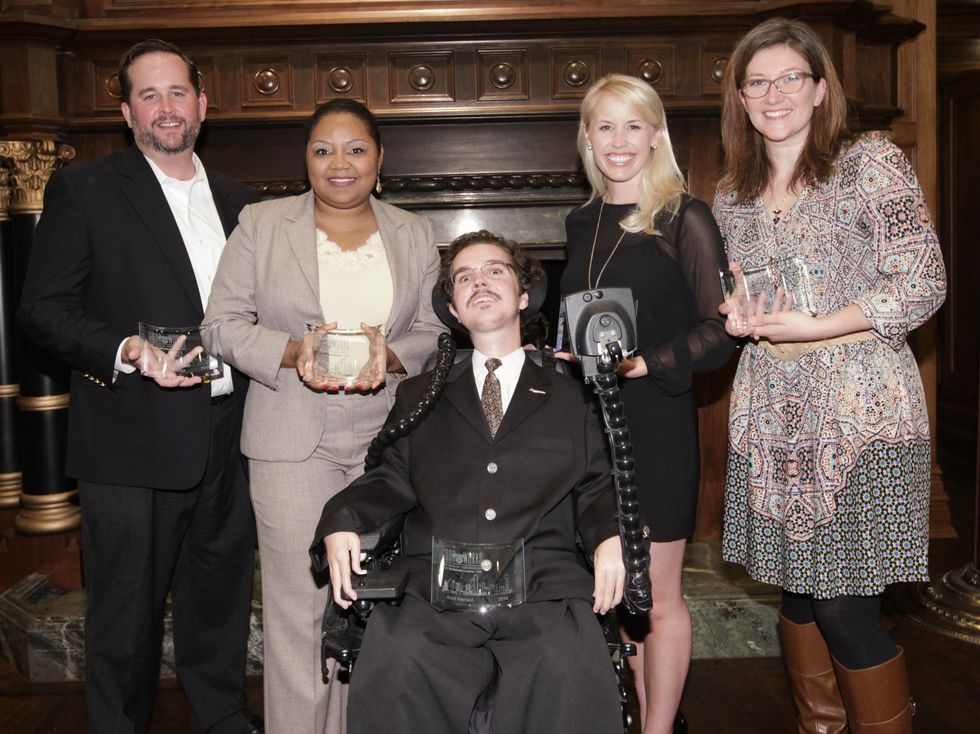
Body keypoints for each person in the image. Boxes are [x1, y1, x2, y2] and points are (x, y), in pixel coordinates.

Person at [17, 40, 261, 733]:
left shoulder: (244, 205)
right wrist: (124, 347)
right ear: (126, 112)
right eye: (148, 96)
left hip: (232, 435)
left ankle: (220, 719)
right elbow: (43, 308)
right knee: (124, 614)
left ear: (202, 104)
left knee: (218, 598)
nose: (165, 108)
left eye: (177, 92)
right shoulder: (85, 189)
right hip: (131, 435)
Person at [714, 18, 947, 733]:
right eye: (757, 82)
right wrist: (737, 316)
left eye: (790, 78)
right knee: (798, 593)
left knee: (844, 603)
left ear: (820, 89)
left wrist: (818, 326)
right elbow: (758, 295)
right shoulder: (731, 194)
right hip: (773, 416)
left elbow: (924, 279)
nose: (773, 93)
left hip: (860, 414)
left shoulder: (869, 161)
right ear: (742, 98)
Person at [313, 230, 626, 734]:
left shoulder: (576, 397)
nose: (479, 281)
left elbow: (597, 486)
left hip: (542, 591)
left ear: (523, 296)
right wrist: (343, 520)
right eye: (464, 277)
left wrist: (611, 535)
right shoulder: (421, 394)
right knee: (397, 666)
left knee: (567, 669)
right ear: (454, 310)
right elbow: (388, 478)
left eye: (495, 270)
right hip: (434, 592)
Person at [204, 98, 443, 733]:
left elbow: (433, 329)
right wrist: (290, 352)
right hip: (291, 442)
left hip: (386, 443)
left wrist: (391, 355)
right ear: (305, 159)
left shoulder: (413, 232)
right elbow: (220, 326)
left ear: (380, 158)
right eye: (323, 150)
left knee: (373, 604)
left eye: (356, 149)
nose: (340, 163)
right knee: (301, 609)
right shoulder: (261, 223)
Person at [560, 74, 734, 734]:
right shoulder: (579, 221)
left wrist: (645, 362)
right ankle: (637, 716)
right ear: (586, 137)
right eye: (604, 126)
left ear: (657, 134)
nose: (619, 140)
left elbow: (720, 333)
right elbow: (579, 317)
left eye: (634, 125)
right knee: (614, 593)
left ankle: (660, 729)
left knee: (657, 595)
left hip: (656, 426)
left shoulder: (684, 216)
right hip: (588, 427)